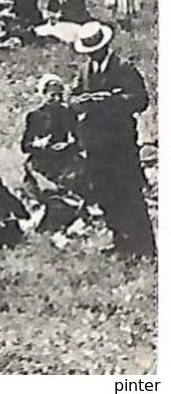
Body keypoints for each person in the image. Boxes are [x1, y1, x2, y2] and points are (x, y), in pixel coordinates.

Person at [71, 22, 154, 258]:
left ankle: (143, 247)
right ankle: (120, 241)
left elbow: (140, 100)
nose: (91, 54)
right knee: (105, 193)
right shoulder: (85, 71)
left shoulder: (123, 68)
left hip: (119, 143)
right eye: (88, 51)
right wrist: (82, 101)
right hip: (94, 143)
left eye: (94, 49)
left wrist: (110, 101)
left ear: (104, 46)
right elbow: (73, 97)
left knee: (128, 193)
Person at [21, 73, 86, 234]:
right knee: (40, 185)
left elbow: (80, 141)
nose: (56, 99)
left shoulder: (68, 113)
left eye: (59, 95)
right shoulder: (35, 116)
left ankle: (74, 208)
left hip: (64, 158)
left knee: (79, 176)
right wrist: (38, 144)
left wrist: (68, 145)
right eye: (52, 96)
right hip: (42, 160)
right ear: (43, 95)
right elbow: (25, 146)